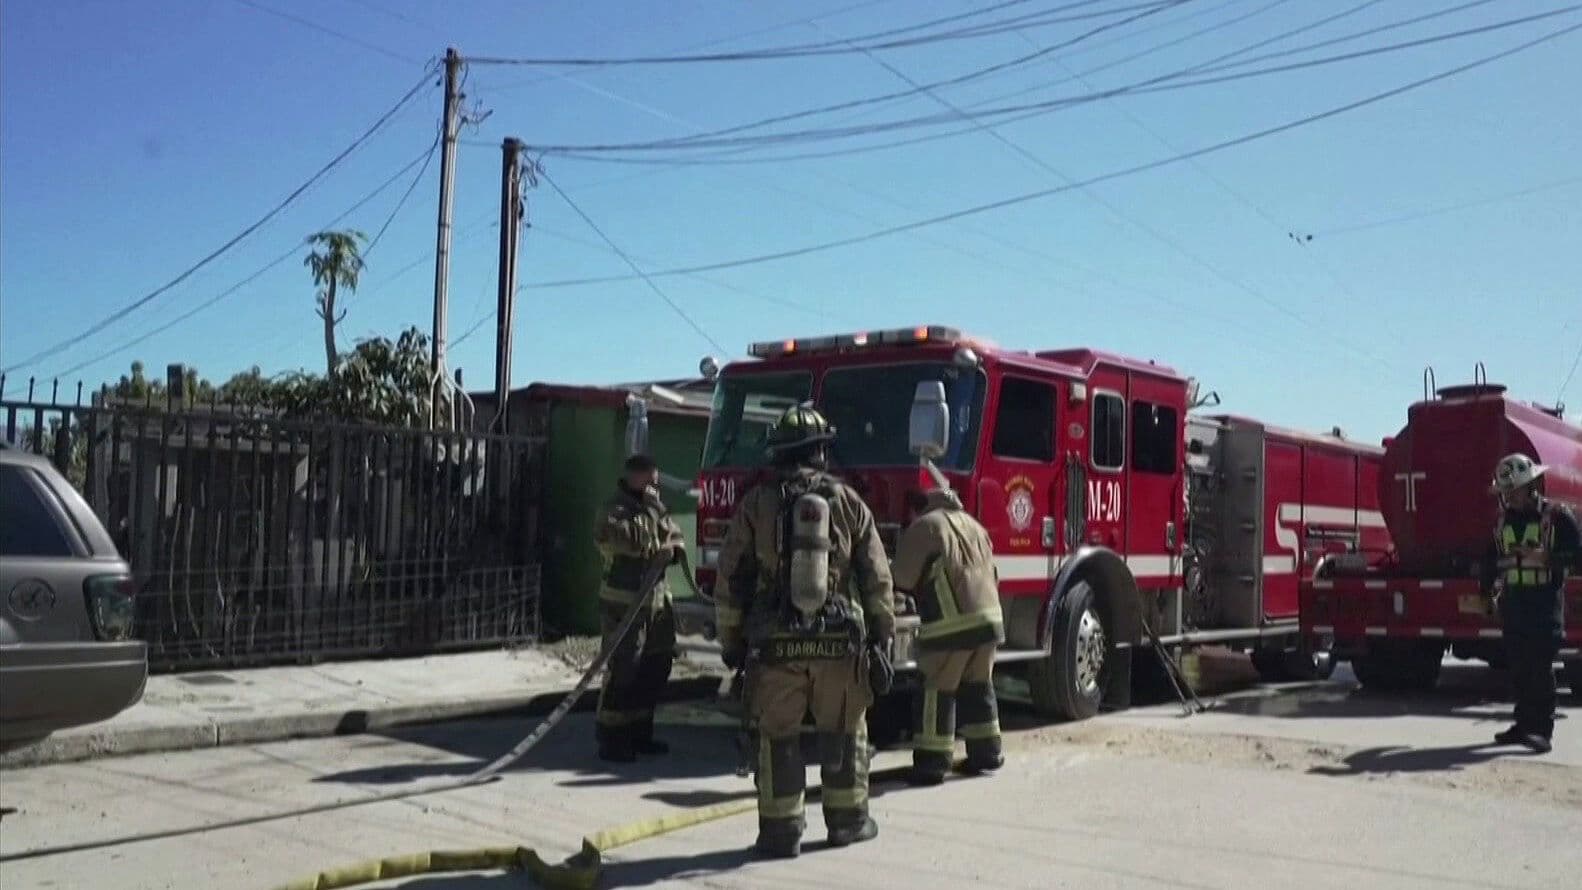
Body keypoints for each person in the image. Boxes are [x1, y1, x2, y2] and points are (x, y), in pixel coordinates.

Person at [715, 403, 895, 858]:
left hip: (776, 643)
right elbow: (876, 575)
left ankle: (780, 834)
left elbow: (731, 577)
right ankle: (849, 822)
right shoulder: (848, 501)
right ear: (820, 451)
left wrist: (731, 642)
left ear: (777, 452)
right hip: (840, 642)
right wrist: (882, 635)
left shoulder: (756, 504)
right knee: (846, 728)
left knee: (778, 737)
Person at [892, 487, 1005, 786]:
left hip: (951, 626)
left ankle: (932, 762)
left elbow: (901, 577)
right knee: (979, 684)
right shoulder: (975, 525)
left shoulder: (926, 526)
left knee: (937, 689)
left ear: (920, 508)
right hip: (991, 621)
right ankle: (988, 753)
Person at [1482, 453, 1580, 754]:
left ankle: (1542, 731)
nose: (1508, 497)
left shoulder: (1558, 517)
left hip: (1544, 605)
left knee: (1539, 668)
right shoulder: (1502, 523)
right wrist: (1485, 591)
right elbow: (1490, 561)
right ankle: (1523, 725)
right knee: (1520, 668)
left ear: (1530, 486)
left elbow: (1577, 556)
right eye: (1504, 492)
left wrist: (1547, 558)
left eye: (1513, 490)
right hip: (1515, 605)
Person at [592, 453, 685, 763]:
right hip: (624, 603)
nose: (655, 484)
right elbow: (632, 540)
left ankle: (640, 732)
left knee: (656, 666)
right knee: (624, 668)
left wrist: (672, 547)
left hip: (657, 602)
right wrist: (653, 513)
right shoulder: (614, 510)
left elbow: (675, 535)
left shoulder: (654, 508)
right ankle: (612, 737)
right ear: (635, 476)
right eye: (650, 478)